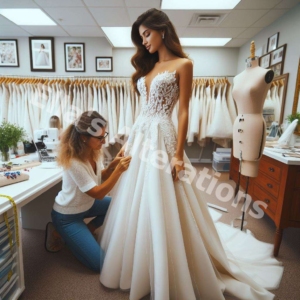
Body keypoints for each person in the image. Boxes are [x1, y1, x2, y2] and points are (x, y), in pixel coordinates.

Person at [97, 8, 284, 300]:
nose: (144, 41)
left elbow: (183, 110)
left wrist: (179, 154)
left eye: (147, 34)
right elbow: (142, 110)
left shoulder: (184, 64)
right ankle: (138, 261)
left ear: (162, 30)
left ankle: (172, 261)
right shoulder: (146, 69)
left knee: (164, 196)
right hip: (142, 133)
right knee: (136, 196)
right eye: (141, 37)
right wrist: (129, 140)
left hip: (162, 135)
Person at [45, 111, 131, 272]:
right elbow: (97, 192)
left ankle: (88, 231)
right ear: (84, 137)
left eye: (104, 134)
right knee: (100, 264)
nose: (104, 141)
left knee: (118, 204)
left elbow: (98, 178)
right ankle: (57, 232)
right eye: (99, 138)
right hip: (67, 216)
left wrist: (112, 165)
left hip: (87, 205)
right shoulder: (73, 162)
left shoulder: (93, 153)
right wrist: (118, 171)